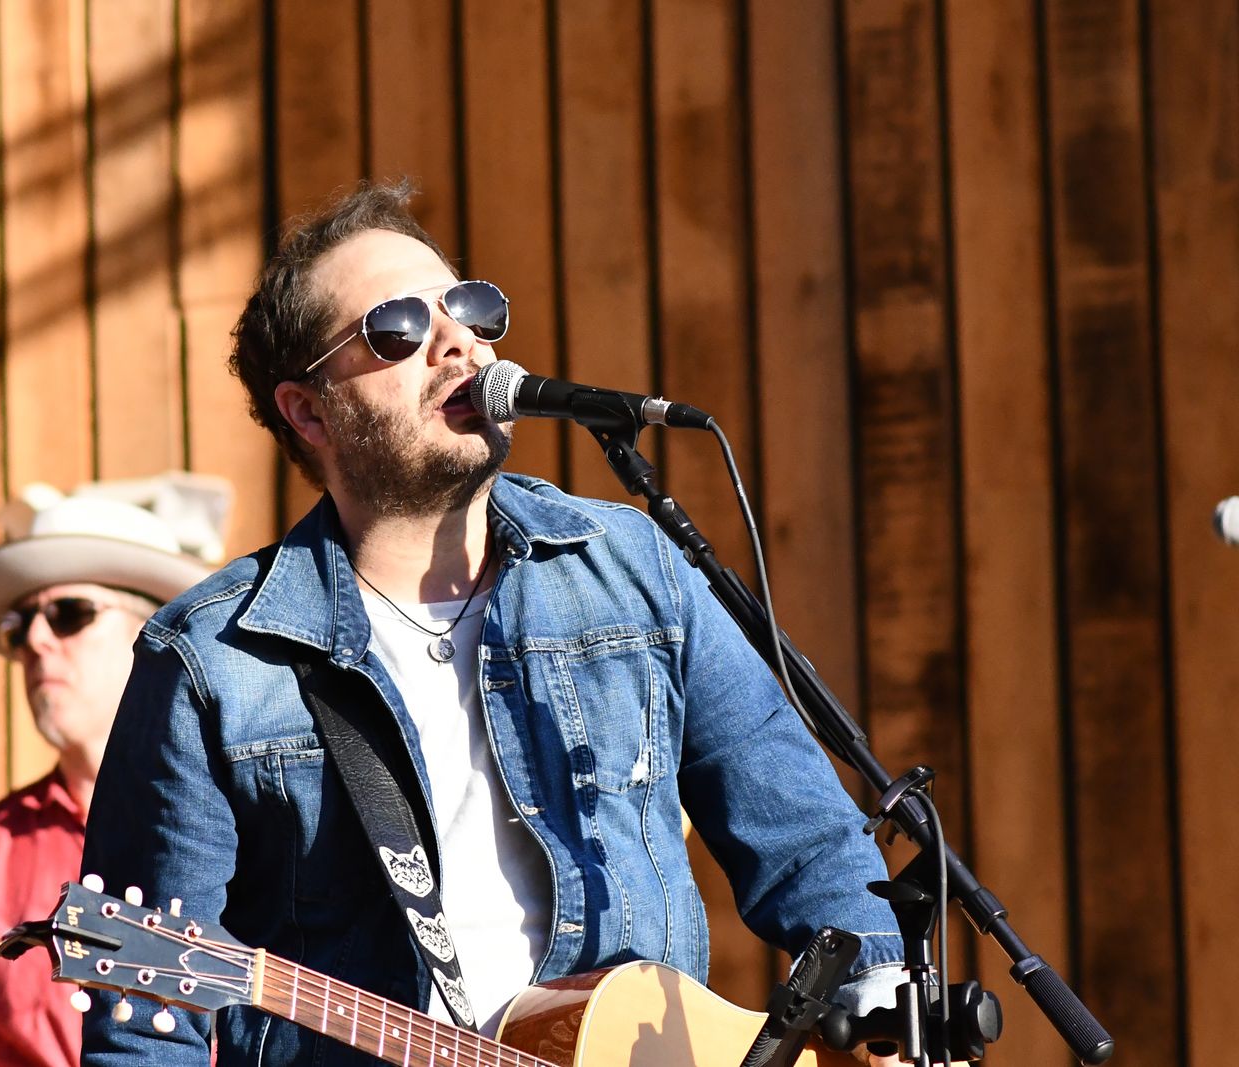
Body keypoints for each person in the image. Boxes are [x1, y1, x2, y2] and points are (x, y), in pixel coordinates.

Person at [80, 182, 909, 1066]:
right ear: (309, 410)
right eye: (398, 327)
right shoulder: (214, 661)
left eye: (471, 309)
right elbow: (144, 1030)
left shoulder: (633, 569)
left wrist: (883, 1008)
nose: (459, 343)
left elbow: (809, 844)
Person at [0, 474, 229, 1067]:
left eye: (69, 613)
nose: (35, 640)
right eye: (18, 625)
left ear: (155, 640)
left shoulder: (259, 827)